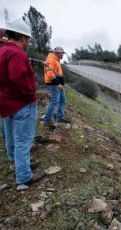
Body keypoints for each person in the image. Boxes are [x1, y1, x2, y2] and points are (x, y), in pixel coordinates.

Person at [0, 19, 44, 190]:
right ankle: (24, 178)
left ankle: (17, 162)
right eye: (28, 40)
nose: (28, 43)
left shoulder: (2, 52)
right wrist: (31, 95)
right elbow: (19, 80)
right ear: (24, 38)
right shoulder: (17, 54)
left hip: (6, 103)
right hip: (21, 104)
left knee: (11, 137)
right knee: (23, 140)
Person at [43, 46, 69, 126]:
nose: (63, 55)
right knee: (55, 101)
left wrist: (61, 83)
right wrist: (58, 84)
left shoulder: (56, 60)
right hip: (54, 84)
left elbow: (58, 74)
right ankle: (47, 120)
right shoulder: (51, 60)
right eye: (62, 53)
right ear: (58, 53)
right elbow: (50, 73)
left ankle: (59, 117)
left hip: (58, 84)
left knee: (62, 100)